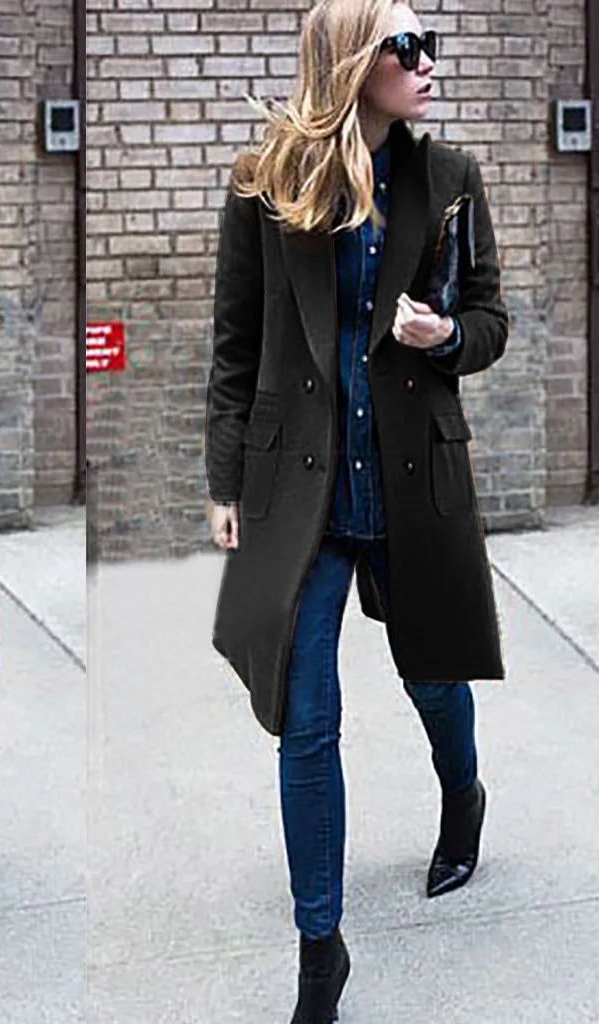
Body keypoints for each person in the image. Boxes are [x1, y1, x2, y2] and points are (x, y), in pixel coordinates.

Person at [203, 1, 508, 1021]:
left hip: (413, 475)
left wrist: (445, 338)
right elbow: (235, 347)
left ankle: (461, 793)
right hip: (301, 488)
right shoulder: (264, 185)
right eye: (404, 47)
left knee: (434, 679)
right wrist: (224, 483)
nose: (426, 62)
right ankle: (318, 951)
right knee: (305, 717)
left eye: (428, 44)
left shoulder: (449, 177)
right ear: (350, 62)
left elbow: (491, 318)